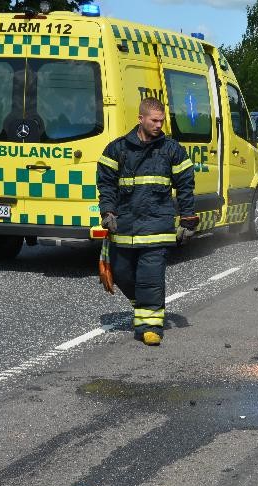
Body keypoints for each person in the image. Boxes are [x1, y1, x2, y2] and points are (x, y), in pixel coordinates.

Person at [97, 97, 198, 346]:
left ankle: (151, 328)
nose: (159, 125)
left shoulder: (173, 150)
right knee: (121, 272)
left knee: (150, 276)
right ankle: (144, 307)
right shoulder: (117, 149)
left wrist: (187, 219)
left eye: (162, 121)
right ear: (140, 119)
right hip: (125, 225)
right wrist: (108, 211)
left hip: (157, 225)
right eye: (154, 120)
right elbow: (106, 184)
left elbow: (185, 186)